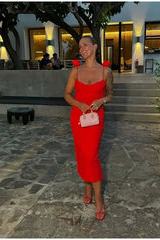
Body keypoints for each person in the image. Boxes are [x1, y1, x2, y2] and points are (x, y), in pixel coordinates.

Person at [64, 36, 113, 220]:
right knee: (82, 154)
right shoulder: (76, 71)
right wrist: (78, 104)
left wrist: (102, 99)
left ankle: (98, 198)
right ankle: (87, 185)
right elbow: (67, 95)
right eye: (80, 46)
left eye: (86, 44)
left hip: (95, 118)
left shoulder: (106, 72)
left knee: (91, 155)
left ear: (95, 46)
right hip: (78, 117)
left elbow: (110, 93)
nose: (82, 47)